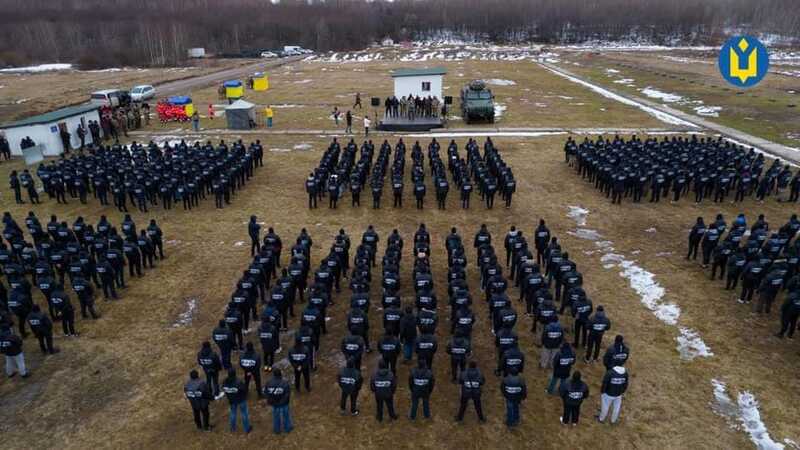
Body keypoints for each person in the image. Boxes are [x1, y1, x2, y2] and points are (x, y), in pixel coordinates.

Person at [265, 368, 294, 434]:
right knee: (286, 416)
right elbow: (287, 395)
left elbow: (266, 393)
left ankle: (277, 430)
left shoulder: (269, 383)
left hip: (274, 403)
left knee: (276, 416)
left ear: (273, 375)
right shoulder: (284, 383)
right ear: (280, 375)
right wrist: (281, 402)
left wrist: (272, 401)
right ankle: (287, 428)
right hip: (283, 403)